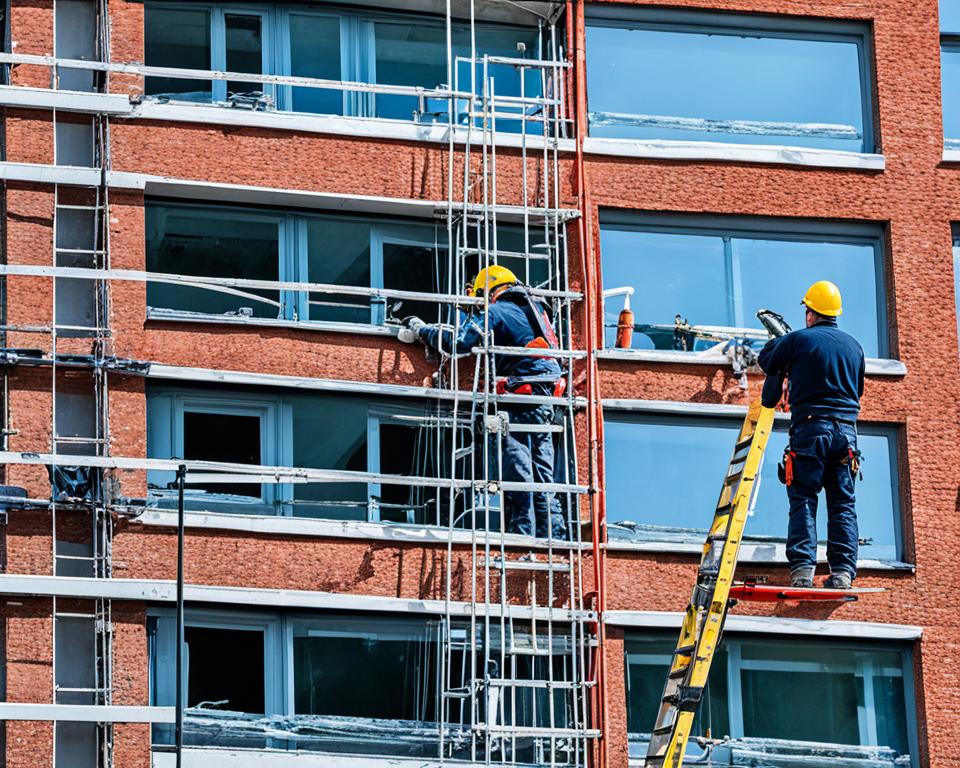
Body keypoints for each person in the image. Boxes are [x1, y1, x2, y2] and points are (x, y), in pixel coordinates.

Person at [397, 265, 568, 540]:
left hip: (520, 404)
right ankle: (555, 541)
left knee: (520, 477)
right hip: (544, 403)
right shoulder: (538, 314)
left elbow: (461, 342)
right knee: (543, 481)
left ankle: (523, 542)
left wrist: (422, 330)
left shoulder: (497, 311)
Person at [758, 280, 865, 589]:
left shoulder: (798, 340)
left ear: (810, 313)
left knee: (804, 498)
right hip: (847, 434)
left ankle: (804, 571)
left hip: (811, 428)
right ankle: (843, 573)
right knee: (843, 504)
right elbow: (857, 391)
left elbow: (768, 363)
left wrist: (782, 343)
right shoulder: (854, 346)